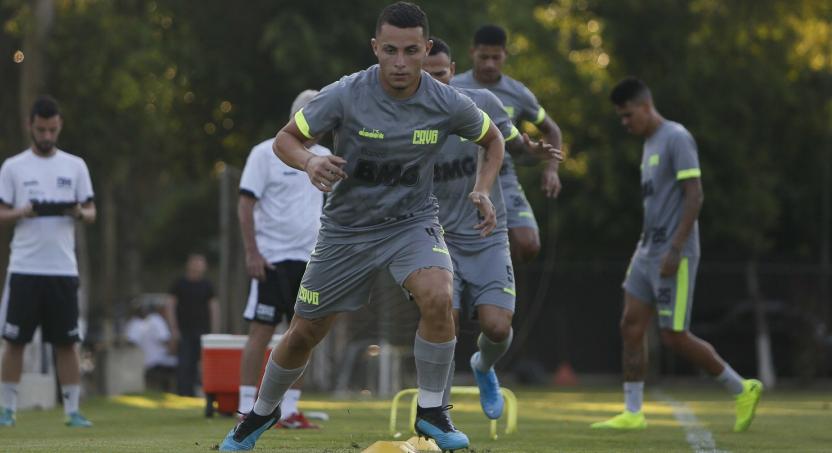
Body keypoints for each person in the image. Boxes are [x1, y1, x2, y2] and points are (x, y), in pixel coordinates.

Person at [218, 3, 505, 451]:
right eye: (389, 50)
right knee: (303, 334)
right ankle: (261, 412)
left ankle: (432, 411)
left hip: (411, 223)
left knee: (438, 295)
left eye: (411, 51)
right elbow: (285, 140)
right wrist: (311, 159)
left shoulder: (446, 101)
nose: (399, 62)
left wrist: (483, 190)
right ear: (375, 48)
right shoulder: (345, 93)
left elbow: (493, 140)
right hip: (345, 232)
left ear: (426, 49)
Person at [591, 78, 762, 431]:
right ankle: (633, 412)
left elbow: (694, 195)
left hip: (673, 252)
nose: (625, 123)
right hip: (647, 249)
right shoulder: (649, 143)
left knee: (673, 335)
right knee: (630, 324)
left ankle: (742, 388)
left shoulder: (677, 137)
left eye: (627, 115)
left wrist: (676, 248)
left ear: (645, 105)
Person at [423, 37, 561, 420]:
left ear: (453, 71)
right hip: (439, 239)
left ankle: (484, 366)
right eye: (427, 76)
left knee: (497, 327)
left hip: (486, 234)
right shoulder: (405, 117)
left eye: (441, 74)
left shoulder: (482, 102)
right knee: (442, 324)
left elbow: (514, 143)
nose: (435, 84)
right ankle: (437, 416)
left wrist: (534, 154)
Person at [235, 89, 331, 429]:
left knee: (303, 333)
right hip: (272, 260)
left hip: (311, 262)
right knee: (260, 331)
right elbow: (246, 203)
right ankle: (247, 407)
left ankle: (289, 410)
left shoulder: (325, 155)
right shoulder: (264, 153)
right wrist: (252, 252)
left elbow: (333, 207)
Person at [0, 95, 96, 428]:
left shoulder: (75, 165)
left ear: (59, 127)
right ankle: (7, 409)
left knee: (67, 342)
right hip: (24, 267)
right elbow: (1, 212)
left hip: (62, 268)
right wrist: (21, 211)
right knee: (14, 341)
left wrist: (77, 212)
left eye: (52, 130)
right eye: (41, 130)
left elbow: (91, 212)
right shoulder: (13, 167)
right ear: (30, 126)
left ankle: (72, 411)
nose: (46, 136)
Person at [452, 24, 564, 264]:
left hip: (504, 178)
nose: (490, 64)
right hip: (462, 176)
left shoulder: (518, 93)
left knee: (529, 243)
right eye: (484, 57)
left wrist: (552, 169)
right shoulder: (454, 86)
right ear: (472, 52)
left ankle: (502, 283)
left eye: (496, 57)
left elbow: (552, 130)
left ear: (505, 54)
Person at [166, 253, 219, 397]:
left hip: (203, 331)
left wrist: (214, 331)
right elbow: (170, 305)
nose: (197, 266)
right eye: (195, 263)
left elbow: (213, 307)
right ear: (189, 265)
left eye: (200, 263)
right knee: (184, 363)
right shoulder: (179, 284)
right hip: (184, 330)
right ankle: (184, 394)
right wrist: (174, 329)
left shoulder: (207, 285)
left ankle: (204, 393)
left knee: (203, 365)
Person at [124, 297, 177, 392]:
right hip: (157, 361)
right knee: (184, 363)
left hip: (140, 362)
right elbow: (167, 342)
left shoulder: (133, 323)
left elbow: (129, 343)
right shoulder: (156, 320)